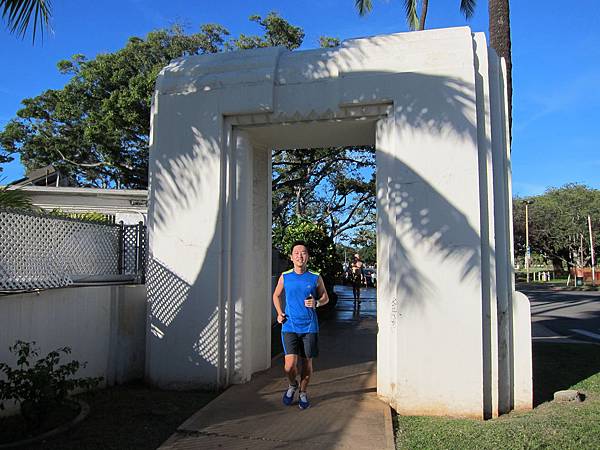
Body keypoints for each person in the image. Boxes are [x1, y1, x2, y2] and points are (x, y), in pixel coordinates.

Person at [272, 240, 329, 410]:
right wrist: (279, 313)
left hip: (310, 327)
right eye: (296, 253)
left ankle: (303, 392)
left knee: (307, 364)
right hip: (289, 326)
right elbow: (276, 295)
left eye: (303, 252)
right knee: (289, 365)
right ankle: (292, 385)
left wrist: (317, 303)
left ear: (308, 256)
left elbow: (325, 297)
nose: (300, 255)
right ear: (291, 257)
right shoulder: (285, 276)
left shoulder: (315, 277)